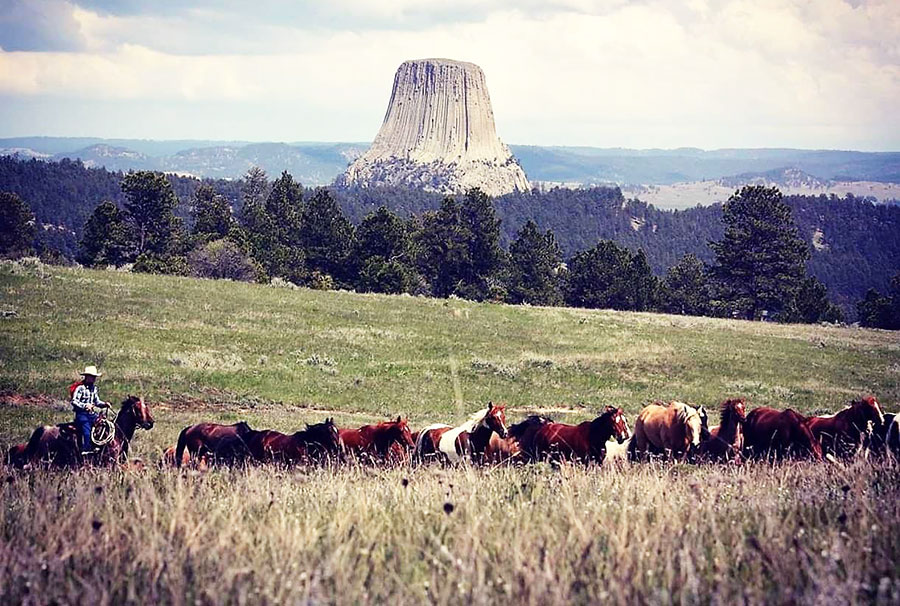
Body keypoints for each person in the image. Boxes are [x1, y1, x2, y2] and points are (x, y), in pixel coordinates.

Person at [71, 365, 110, 455]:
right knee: (87, 430)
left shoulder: (94, 388)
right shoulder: (80, 388)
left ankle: (99, 446)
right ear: (87, 377)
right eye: (92, 377)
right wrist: (85, 406)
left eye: (94, 377)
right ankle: (86, 450)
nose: (94, 379)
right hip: (81, 414)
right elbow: (74, 401)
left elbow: (96, 401)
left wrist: (104, 404)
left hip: (91, 414)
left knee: (103, 426)